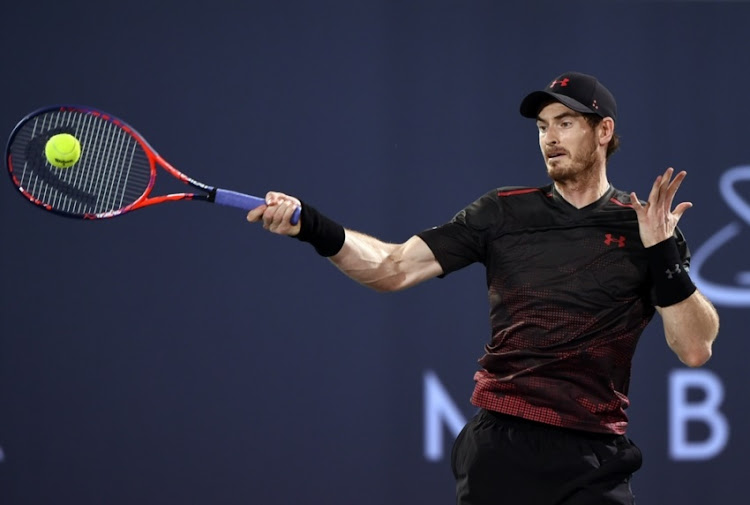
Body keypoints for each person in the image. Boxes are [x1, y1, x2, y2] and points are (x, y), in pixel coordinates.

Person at [246, 71, 720, 505]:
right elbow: (391, 268)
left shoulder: (646, 228)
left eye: (565, 123)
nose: (550, 138)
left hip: (594, 456)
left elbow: (695, 347)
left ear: (604, 132)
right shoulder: (501, 213)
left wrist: (661, 252)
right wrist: (312, 226)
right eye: (542, 127)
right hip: (501, 447)